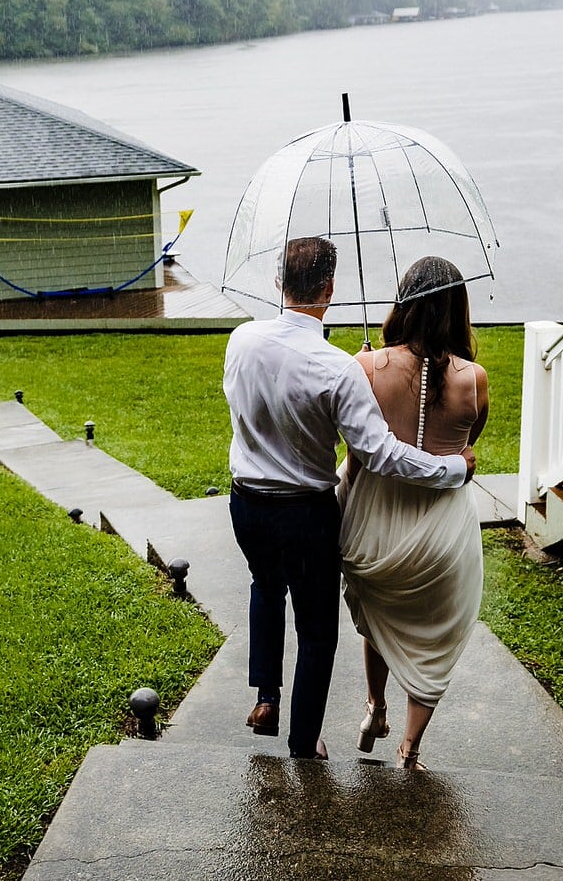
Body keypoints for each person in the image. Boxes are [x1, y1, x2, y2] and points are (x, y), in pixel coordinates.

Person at [223, 237, 476, 760]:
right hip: (306, 513)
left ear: (278, 283)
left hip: (246, 503)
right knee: (317, 633)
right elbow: (382, 454)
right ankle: (302, 743)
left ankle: (266, 694)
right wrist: (452, 468)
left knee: (265, 588)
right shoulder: (337, 368)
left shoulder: (241, 340)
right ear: (330, 289)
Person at [339, 255, 489, 771]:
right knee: (432, 639)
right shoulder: (475, 380)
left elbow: (358, 451)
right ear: (457, 309)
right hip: (442, 535)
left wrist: (366, 370)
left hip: (375, 530)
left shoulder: (365, 369)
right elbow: (467, 449)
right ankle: (410, 746)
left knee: (379, 621)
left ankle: (374, 707)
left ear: (404, 301)